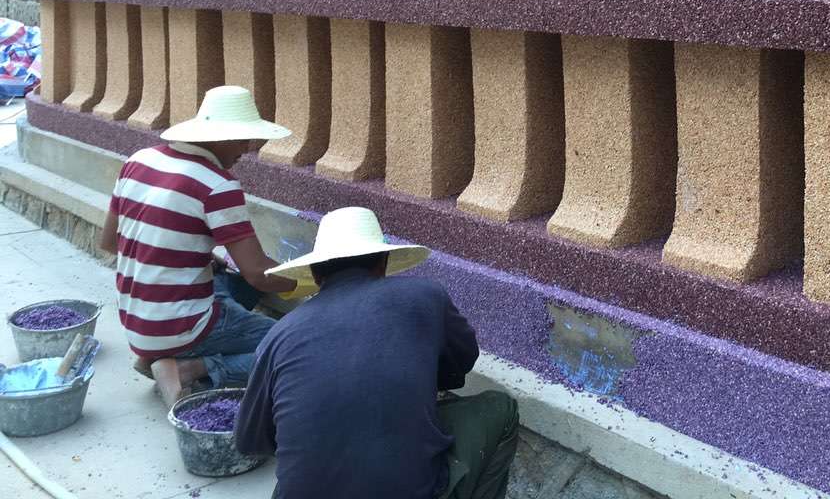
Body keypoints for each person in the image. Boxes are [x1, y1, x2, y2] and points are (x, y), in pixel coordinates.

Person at [236, 206, 518, 499]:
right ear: (383, 263)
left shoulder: (278, 335)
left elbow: (250, 441)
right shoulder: (425, 296)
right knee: (501, 409)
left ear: (316, 275)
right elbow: (463, 360)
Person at [98, 85, 297, 406]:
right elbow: (259, 274)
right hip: (180, 326)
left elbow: (109, 242)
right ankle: (189, 368)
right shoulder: (218, 185)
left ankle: (157, 355)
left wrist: (197, 257)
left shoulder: (139, 160)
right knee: (294, 347)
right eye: (243, 139)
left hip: (136, 320)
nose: (247, 148)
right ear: (220, 137)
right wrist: (313, 278)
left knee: (225, 277)